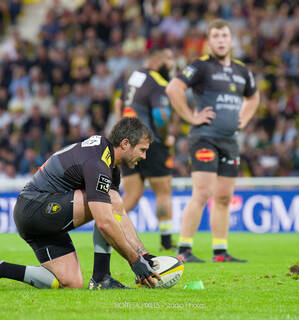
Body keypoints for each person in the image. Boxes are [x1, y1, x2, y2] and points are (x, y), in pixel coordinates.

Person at [0, 117, 161, 289]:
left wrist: (143, 254)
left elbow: (119, 214)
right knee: (107, 204)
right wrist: (134, 260)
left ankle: (3, 268)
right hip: (34, 207)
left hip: (41, 213)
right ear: (125, 143)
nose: (144, 156)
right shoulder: (98, 163)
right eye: (142, 150)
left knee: (71, 283)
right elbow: (105, 221)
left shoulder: (108, 161)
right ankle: (101, 278)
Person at [166, 19, 260, 263]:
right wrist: (190, 116)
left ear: (231, 40)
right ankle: (184, 249)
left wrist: (245, 118)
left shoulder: (242, 71)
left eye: (224, 35)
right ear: (208, 42)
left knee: (224, 197)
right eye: (215, 36)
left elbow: (254, 97)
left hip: (230, 140)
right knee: (203, 192)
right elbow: (173, 88)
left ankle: (220, 251)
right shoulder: (201, 67)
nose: (220, 40)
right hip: (204, 138)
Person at [114, 47, 176, 251]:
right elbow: (160, 115)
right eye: (169, 61)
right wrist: (166, 137)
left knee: (131, 195)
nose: (172, 66)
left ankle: (109, 229)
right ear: (158, 61)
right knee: (163, 191)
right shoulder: (158, 82)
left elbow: (118, 102)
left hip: (128, 143)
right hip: (150, 143)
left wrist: (122, 130)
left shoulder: (135, 77)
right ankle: (166, 242)